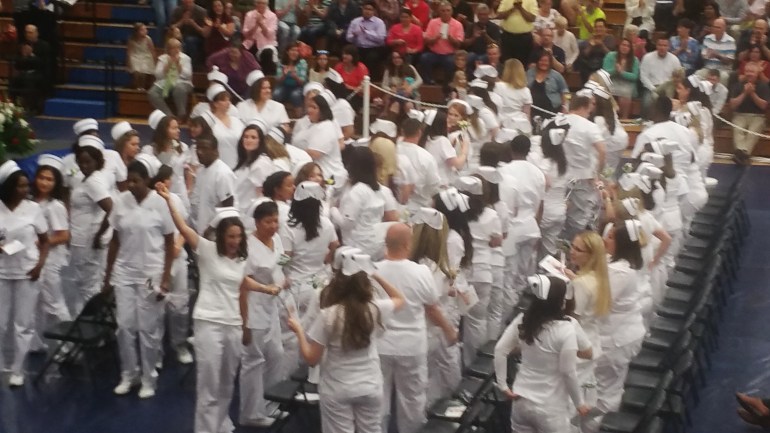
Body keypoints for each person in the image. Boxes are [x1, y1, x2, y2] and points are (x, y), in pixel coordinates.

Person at [155, 188, 279, 433]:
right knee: (208, 385)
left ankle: (219, 425)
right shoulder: (206, 250)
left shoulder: (241, 259)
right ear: (221, 236)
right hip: (208, 323)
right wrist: (169, 200)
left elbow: (242, 284)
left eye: (238, 236)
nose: (235, 241)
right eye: (231, 236)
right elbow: (183, 227)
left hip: (233, 325)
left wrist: (263, 293)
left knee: (226, 385)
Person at [286, 249, 406, 433]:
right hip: (370, 386)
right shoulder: (375, 309)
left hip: (337, 387)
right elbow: (399, 298)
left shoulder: (328, 315)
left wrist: (299, 331)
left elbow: (311, 359)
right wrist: (374, 273)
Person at [104, 155, 174, 399]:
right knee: (124, 327)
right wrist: (107, 275)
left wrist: (166, 278)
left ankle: (148, 378)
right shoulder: (121, 202)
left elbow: (169, 242)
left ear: (147, 180)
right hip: (125, 272)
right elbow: (114, 240)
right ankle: (129, 374)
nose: (131, 185)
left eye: (136, 181)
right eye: (129, 181)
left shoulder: (160, 204)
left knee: (148, 329)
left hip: (150, 274)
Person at [376, 223, 457, 433]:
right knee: (412, 402)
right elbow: (432, 309)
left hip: (380, 345)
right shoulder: (420, 272)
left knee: (379, 402)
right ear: (407, 244)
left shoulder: (373, 271)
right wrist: (448, 330)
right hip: (411, 346)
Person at [494, 275, 592, 432]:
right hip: (550, 408)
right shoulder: (567, 328)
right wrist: (579, 403)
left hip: (521, 401)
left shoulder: (523, 320)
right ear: (560, 302)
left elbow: (500, 350)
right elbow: (569, 371)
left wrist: (503, 385)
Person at [239, 199, 288, 427]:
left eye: (276, 221)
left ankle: (271, 404)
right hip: (254, 308)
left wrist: (284, 277)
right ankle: (251, 413)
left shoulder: (276, 239)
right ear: (257, 222)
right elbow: (243, 280)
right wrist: (266, 288)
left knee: (276, 355)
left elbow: (282, 259)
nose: (273, 226)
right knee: (253, 362)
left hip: (272, 306)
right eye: (268, 221)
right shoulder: (248, 247)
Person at [0, 161, 49, 387]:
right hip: (2, 272)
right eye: (20, 186)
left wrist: (39, 265)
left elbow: (45, 241)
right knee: (1, 323)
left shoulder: (33, 209)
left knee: (22, 323)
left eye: (26, 185)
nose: (25, 189)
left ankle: (18, 370)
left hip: (27, 273)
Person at [594, 220, 647, 424]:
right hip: (623, 334)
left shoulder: (620, 271)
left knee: (603, 390)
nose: (605, 240)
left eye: (610, 237)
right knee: (611, 385)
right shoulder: (621, 264)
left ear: (622, 244)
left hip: (616, 340)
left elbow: (601, 303)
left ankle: (603, 425)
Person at [410, 205, 464, 406]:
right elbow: (430, 306)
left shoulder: (418, 265)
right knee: (445, 369)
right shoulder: (431, 269)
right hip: (433, 330)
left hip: (423, 331)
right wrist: (448, 329)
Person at [565, 230, 610, 432]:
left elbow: (571, 320)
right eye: (572, 246)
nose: (572, 252)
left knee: (569, 405)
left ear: (590, 256)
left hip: (577, 347)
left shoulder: (580, 284)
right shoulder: (598, 278)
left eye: (578, 249)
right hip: (591, 339)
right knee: (584, 394)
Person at [498, 135, 546, 318]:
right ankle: (517, 315)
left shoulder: (504, 171)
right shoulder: (538, 173)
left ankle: (507, 319)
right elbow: (540, 205)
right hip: (531, 227)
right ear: (529, 151)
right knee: (522, 275)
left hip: (512, 229)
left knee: (508, 277)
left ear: (511, 150)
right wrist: (537, 227)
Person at [67, 136, 114, 316]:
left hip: (87, 240)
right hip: (81, 238)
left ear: (97, 161)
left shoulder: (93, 182)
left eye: (88, 162)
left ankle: (90, 324)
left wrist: (98, 235)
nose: (83, 165)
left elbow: (111, 209)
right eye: (80, 162)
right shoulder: (87, 179)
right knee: (85, 282)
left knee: (87, 284)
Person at [30, 156, 71, 354]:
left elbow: (64, 235)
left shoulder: (55, 206)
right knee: (36, 303)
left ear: (56, 182)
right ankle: (36, 342)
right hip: (34, 258)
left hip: (50, 260)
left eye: (49, 179)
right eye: (41, 178)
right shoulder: (32, 202)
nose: (44, 183)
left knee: (55, 304)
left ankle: (68, 346)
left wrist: (41, 242)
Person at [284, 181, 339, 316]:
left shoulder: (289, 227)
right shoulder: (327, 224)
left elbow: (285, 257)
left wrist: (277, 264)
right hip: (320, 283)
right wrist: (327, 259)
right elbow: (335, 245)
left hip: (297, 286)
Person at [561, 95, 605, 240]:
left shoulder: (556, 121)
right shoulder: (590, 126)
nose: (589, 114)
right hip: (583, 178)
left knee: (560, 213)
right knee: (579, 217)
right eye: (589, 110)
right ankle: (575, 244)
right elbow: (602, 151)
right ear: (583, 107)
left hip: (560, 175)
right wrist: (598, 172)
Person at [332, 147, 389, 256]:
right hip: (376, 246)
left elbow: (346, 224)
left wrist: (333, 210)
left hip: (357, 248)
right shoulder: (378, 190)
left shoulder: (358, 191)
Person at [291, 94, 348, 188]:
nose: (309, 110)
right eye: (309, 107)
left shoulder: (326, 127)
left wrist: (293, 153)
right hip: (312, 174)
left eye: (314, 107)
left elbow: (314, 153)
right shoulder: (312, 125)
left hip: (329, 179)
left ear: (322, 110)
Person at [146, 111, 193, 211]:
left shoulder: (183, 148)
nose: (178, 131)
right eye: (174, 128)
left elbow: (188, 170)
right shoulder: (150, 150)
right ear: (163, 130)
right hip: (160, 193)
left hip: (180, 192)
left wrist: (189, 189)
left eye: (178, 127)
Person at [190, 136, 237, 233]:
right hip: (201, 230)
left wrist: (210, 230)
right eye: (198, 148)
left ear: (216, 151)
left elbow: (228, 208)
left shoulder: (223, 173)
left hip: (216, 233)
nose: (199, 152)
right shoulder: (201, 171)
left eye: (204, 148)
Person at [728, 61, 770, 165]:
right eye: (747, 71)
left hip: (758, 116)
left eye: (752, 71)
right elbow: (733, 105)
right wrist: (744, 93)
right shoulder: (737, 85)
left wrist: (752, 94)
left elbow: (764, 106)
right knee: (738, 129)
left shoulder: (764, 86)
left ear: (757, 73)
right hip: (740, 115)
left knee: (753, 131)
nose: (749, 74)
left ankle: (741, 154)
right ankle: (744, 155)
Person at [10, 24, 52, 114]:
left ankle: (31, 107)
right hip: (24, 72)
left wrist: (31, 55)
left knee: (29, 80)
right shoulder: (22, 45)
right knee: (14, 80)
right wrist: (24, 57)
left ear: (37, 33)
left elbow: (43, 63)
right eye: (26, 33)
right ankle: (13, 107)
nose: (28, 35)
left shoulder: (44, 46)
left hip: (38, 73)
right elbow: (17, 63)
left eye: (30, 32)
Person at [419, 1, 465, 85]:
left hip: (449, 54)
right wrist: (435, 38)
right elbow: (426, 41)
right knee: (424, 58)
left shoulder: (458, 24)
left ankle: (447, 83)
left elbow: (459, 44)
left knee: (451, 62)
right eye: (443, 11)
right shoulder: (433, 22)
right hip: (434, 53)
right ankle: (428, 81)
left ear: (451, 11)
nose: (445, 13)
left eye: (448, 10)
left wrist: (451, 39)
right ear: (439, 12)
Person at [148, 38, 194, 119]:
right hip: (165, 83)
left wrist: (178, 66)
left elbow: (187, 75)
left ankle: (181, 115)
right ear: (168, 49)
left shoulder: (186, 58)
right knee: (152, 93)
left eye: (178, 47)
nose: (177, 50)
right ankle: (169, 116)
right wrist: (167, 66)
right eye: (174, 48)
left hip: (182, 82)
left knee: (179, 89)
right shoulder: (162, 58)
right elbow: (157, 75)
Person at [203, 84, 246, 169]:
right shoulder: (208, 122)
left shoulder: (236, 121)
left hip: (238, 166)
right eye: (224, 100)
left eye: (229, 100)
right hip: (218, 166)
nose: (228, 103)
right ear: (215, 103)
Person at [639, 37, 681, 118]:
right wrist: (653, 89)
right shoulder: (647, 57)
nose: (662, 48)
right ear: (656, 46)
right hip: (651, 87)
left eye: (665, 45)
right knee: (646, 102)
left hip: (669, 88)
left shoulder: (675, 60)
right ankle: (645, 121)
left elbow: (678, 77)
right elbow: (643, 76)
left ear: (668, 47)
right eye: (660, 45)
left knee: (670, 104)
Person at [346, 1, 388, 81]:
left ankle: (371, 81)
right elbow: (348, 37)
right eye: (365, 9)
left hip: (374, 48)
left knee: (372, 57)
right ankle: (354, 79)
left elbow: (381, 39)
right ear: (362, 9)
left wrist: (366, 32)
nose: (367, 11)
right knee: (352, 55)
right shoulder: (355, 21)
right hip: (358, 47)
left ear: (374, 11)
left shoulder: (379, 22)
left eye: (370, 9)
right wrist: (354, 35)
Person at [602, 38, 640, 118]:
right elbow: (605, 72)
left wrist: (622, 72)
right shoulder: (610, 55)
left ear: (630, 49)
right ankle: (608, 117)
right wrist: (615, 70)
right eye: (623, 45)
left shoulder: (634, 59)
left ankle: (624, 118)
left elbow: (635, 76)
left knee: (624, 93)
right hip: (612, 81)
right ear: (619, 46)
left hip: (627, 83)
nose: (625, 47)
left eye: (628, 46)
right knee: (604, 92)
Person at [527, 52, 569, 119]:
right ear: (537, 61)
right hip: (532, 109)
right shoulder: (529, 73)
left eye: (546, 61)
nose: (543, 63)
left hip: (552, 111)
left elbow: (566, 92)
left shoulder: (557, 75)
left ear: (550, 63)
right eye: (541, 60)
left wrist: (566, 107)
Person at [463, 4, 502, 72]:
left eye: (484, 14)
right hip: (473, 53)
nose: (482, 17)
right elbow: (464, 44)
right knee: (470, 57)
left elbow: (496, 45)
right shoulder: (472, 26)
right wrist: (474, 37)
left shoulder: (494, 27)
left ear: (488, 14)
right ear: (477, 15)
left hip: (488, 54)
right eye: (480, 14)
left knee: (482, 58)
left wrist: (485, 35)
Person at [496, 0, 537, 64]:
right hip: (507, 37)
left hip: (524, 39)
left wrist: (520, 8)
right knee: (506, 62)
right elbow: (499, 15)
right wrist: (513, 8)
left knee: (523, 63)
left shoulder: (532, 1)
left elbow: (532, 18)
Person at [170, 0, 209, 66]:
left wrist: (193, 24)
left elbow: (204, 32)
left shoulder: (202, 12)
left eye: (189, 2)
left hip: (197, 37)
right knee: (177, 41)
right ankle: (177, 64)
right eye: (185, 3)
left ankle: (191, 65)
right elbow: (171, 28)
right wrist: (182, 21)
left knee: (189, 40)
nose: (187, 5)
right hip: (181, 36)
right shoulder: (177, 10)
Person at [697, 18, 736, 85]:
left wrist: (717, 56)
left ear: (724, 28)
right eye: (714, 27)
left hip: (723, 70)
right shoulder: (707, 38)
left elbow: (729, 62)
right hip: (708, 68)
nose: (715, 29)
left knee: (724, 77)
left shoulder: (730, 41)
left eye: (718, 27)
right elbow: (703, 57)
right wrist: (707, 56)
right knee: (697, 74)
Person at [575, 18, 614, 83]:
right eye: (596, 27)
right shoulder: (590, 38)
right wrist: (590, 46)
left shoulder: (609, 38)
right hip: (589, 67)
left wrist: (601, 45)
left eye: (600, 27)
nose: (598, 29)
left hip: (603, 65)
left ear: (605, 28)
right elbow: (584, 55)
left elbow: (611, 55)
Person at [273, 42, 308, 112]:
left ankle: (299, 116)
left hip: (298, 86)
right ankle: (275, 114)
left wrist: (295, 76)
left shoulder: (302, 62)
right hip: (283, 86)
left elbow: (302, 82)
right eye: (292, 50)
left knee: (295, 95)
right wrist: (284, 75)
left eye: (297, 51)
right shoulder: (281, 62)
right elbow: (278, 81)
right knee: (276, 93)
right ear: (287, 52)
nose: (295, 53)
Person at [241, 0, 278, 66]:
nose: (261, 5)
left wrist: (261, 24)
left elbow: (270, 35)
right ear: (255, 4)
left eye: (263, 3)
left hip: (266, 44)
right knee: (240, 51)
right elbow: (245, 34)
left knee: (268, 53)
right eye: (258, 3)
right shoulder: (249, 15)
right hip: (250, 43)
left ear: (267, 5)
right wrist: (256, 25)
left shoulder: (272, 16)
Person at [127, 23, 156, 90]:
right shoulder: (131, 40)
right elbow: (129, 52)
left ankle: (142, 87)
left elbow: (152, 51)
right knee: (137, 71)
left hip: (146, 56)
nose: (145, 31)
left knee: (143, 70)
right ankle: (137, 86)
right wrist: (128, 62)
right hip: (135, 56)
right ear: (136, 32)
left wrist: (154, 61)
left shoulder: (148, 39)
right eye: (142, 30)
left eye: (145, 29)